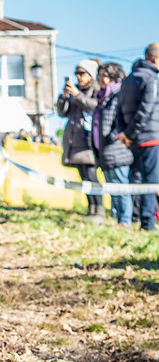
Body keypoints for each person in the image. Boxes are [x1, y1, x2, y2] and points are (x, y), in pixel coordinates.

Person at [117, 43, 159, 232]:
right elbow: (146, 109)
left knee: (136, 179)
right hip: (151, 137)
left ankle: (137, 218)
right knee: (151, 181)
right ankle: (148, 223)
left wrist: (125, 134)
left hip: (131, 140)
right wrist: (130, 133)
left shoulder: (127, 79)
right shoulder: (152, 79)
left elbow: (118, 111)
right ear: (156, 59)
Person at [57, 59, 103, 220]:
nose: (79, 77)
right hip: (74, 140)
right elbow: (62, 112)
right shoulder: (74, 90)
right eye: (77, 73)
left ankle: (99, 210)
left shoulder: (96, 89)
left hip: (88, 141)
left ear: (90, 74)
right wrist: (64, 96)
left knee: (92, 177)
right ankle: (91, 209)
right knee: (84, 178)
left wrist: (77, 95)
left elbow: (94, 107)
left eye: (82, 73)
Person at [92, 62, 133, 228]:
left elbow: (121, 120)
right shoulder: (102, 97)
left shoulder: (119, 95)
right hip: (105, 150)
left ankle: (125, 221)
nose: (101, 79)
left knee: (121, 187)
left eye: (105, 75)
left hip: (117, 149)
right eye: (100, 75)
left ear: (115, 76)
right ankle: (117, 219)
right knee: (112, 187)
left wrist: (111, 136)